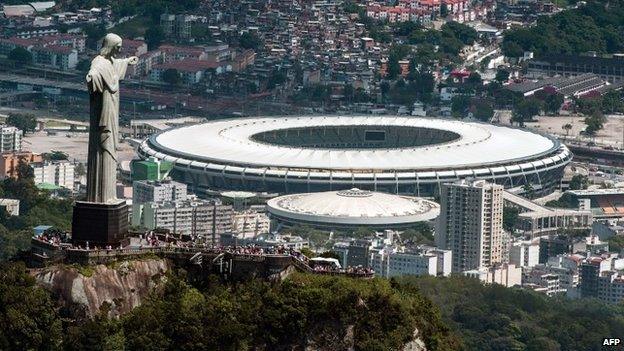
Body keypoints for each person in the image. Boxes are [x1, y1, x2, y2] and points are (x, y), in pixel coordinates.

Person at [85, 33, 138, 203]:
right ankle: (100, 196)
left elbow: (114, 66)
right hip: (104, 113)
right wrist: (91, 77)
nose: (120, 50)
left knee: (111, 150)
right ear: (110, 46)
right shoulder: (99, 62)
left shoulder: (109, 62)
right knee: (103, 149)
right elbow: (94, 72)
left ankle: (109, 195)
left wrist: (127, 61)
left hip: (113, 110)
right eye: (118, 47)